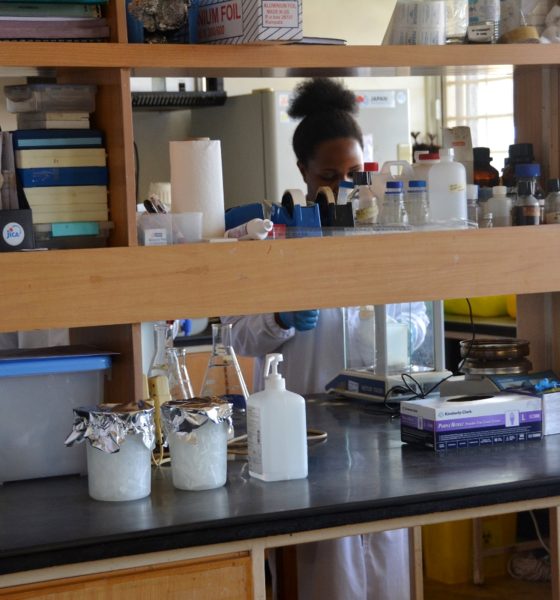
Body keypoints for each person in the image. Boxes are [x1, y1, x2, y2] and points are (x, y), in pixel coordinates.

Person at [223, 78, 428, 600]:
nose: (342, 187)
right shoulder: (270, 237)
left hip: (384, 430)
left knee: (390, 565)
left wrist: (387, 327)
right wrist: (280, 318)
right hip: (309, 434)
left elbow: (422, 316)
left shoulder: (387, 234)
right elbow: (236, 333)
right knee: (324, 571)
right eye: (328, 176)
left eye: (354, 174)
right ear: (302, 173)